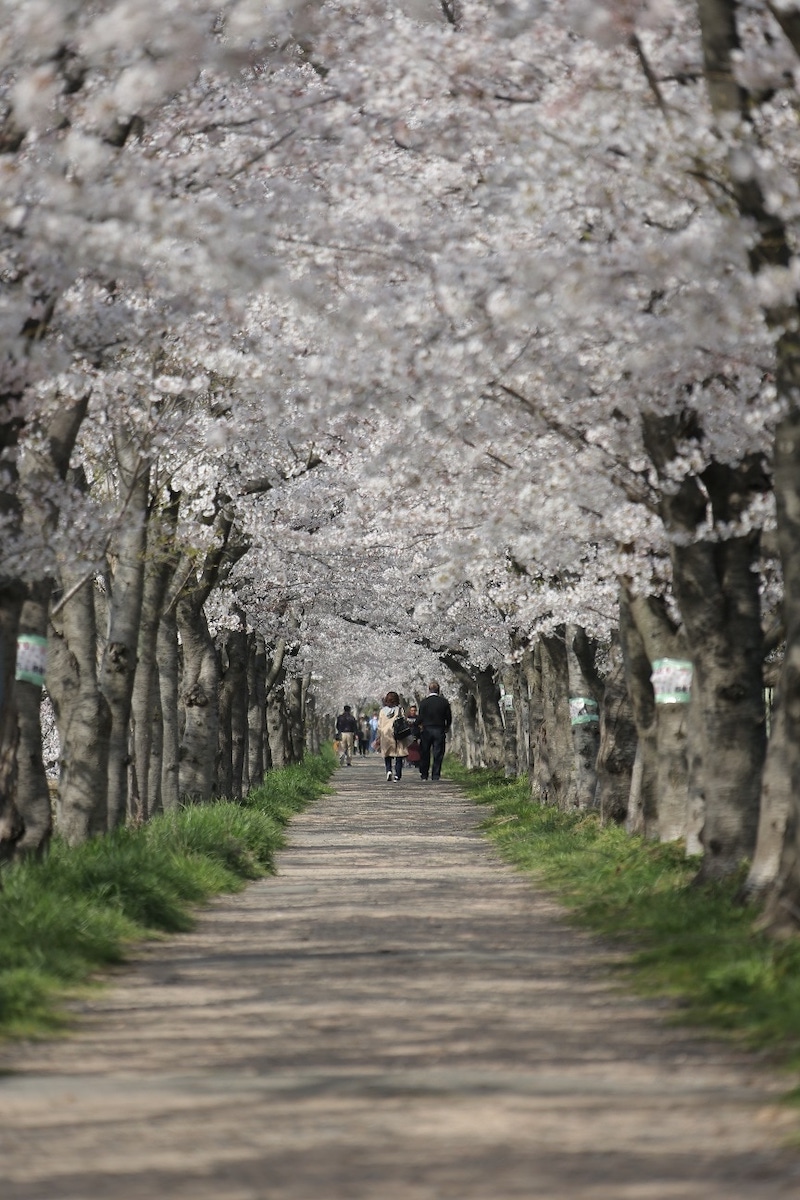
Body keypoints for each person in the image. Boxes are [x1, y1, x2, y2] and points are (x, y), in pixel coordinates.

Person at [417, 680, 452, 782]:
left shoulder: (424, 702)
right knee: (438, 753)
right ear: (439, 690)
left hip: (426, 730)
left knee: (425, 752)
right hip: (439, 729)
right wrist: (447, 726)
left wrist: (416, 725)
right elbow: (448, 717)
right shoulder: (444, 702)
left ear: (429, 690)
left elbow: (420, 717)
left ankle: (424, 774)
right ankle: (435, 775)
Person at [377, 690, 409, 781]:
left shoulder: (382, 711)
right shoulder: (399, 709)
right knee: (399, 755)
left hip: (386, 734)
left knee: (387, 754)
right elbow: (403, 721)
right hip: (398, 734)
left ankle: (389, 770)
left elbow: (379, 724)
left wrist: (379, 735)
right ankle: (397, 775)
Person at [404, 703, 422, 772]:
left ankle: (416, 762)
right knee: (408, 750)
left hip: (416, 735)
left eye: (414, 710)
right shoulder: (406, 718)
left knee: (416, 750)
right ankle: (408, 761)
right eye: (412, 710)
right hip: (408, 735)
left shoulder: (418, 718)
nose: (413, 712)